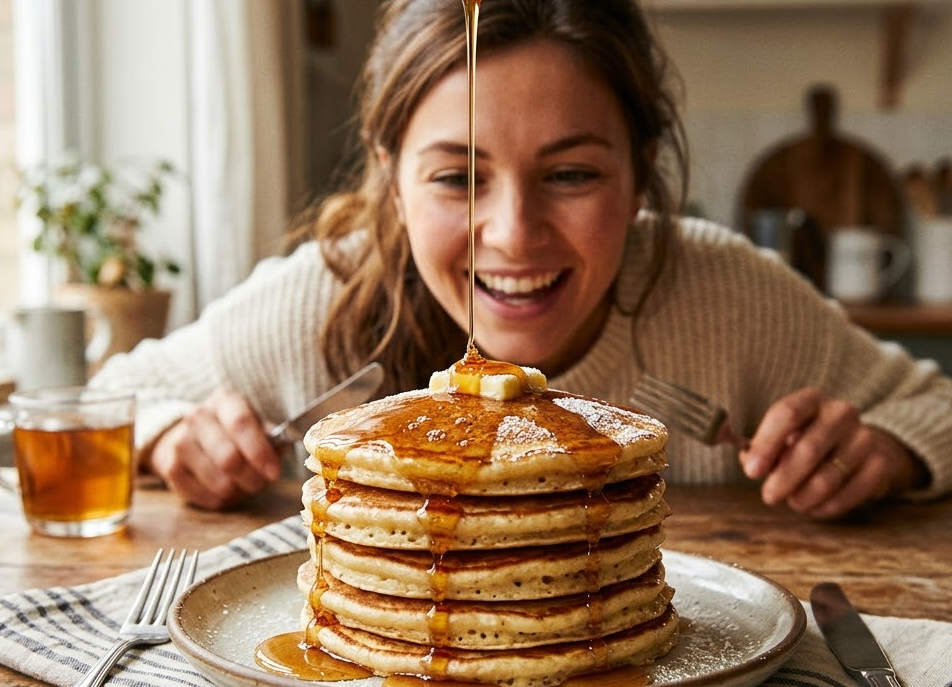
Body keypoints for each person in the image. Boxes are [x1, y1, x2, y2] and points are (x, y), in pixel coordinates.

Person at [91, 0, 951, 519]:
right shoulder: (320, 300)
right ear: (392, 180)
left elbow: (934, 406)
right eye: (459, 178)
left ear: (643, 170)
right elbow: (97, 404)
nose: (513, 232)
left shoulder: (729, 295)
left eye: (571, 173)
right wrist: (172, 434)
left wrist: (887, 450)